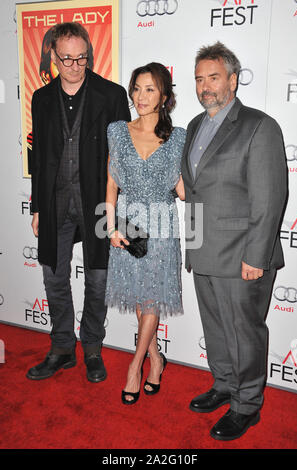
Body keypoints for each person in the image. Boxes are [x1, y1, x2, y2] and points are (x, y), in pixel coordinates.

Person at [181, 42, 287, 440]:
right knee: (217, 330)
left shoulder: (259, 126)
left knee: (245, 334)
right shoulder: (193, 125)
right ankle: (224, 385)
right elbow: (193, 191)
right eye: (199, 79)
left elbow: (270, 198)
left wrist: (256, 256)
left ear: (233, 80)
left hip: (243, 256)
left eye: (213, 77)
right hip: (203, 253)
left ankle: (247, 406)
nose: (205, 86)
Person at [26, 22, 131, 383]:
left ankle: (92, 349)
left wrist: (118, 211)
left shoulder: (112, 95)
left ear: (90, 54)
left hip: (99, 203)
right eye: (66, 58)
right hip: (55, 203)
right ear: (53, 56)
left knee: (98, 280)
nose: (73, 65)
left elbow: (123, 158)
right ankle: (61, 348)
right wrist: (37, 206)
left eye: (81, 57)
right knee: (54, 277)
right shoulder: (40, 99)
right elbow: (37, 155)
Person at [105, 63, 186, 404]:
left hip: (163, 225)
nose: (140, 96)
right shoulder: (117, 131)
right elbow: (111, 183)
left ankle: (134, 367)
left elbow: (183, 188)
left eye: (150, 89)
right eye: (136, 88)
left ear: (164, 96)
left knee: (151, 298)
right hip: (128, 223)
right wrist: (109, 226)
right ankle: (156, 358)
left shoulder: (179, 136)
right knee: (141, 299)